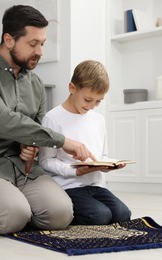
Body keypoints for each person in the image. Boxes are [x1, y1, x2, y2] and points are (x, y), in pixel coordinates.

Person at [0, 5, 95, 235]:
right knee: (13, 216)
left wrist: (31, 146)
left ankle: (13, 208)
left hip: (22, 169)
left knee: (61, 214)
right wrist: (63, 141)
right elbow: (0, 120)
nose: (40, 52)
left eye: (43, 44)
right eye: (33, 44)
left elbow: (35, 128)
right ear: (9, 40)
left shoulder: (35, 84)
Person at [38, 60, 132, 225]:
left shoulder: (98, 120)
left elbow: (102, 155)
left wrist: (108, 165)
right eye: (88, 99)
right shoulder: (53, 118)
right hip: (68, 186)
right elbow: (45, 161)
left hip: (96, 184)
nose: (92, 106)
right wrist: (74, 171)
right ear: (72, 88)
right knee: (100, 216)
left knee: (123, 214)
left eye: (98, 101)